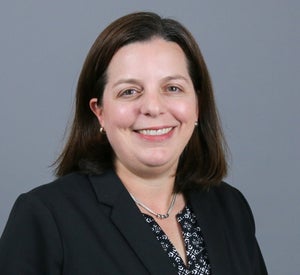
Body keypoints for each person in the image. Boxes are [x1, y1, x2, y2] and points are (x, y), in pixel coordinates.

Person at [0, 12, 267, 274]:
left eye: (172, 88)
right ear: (99, 111)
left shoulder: (230, 208)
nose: (152, 107)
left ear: (197, 104)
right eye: (129, 92)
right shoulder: (46, 216)